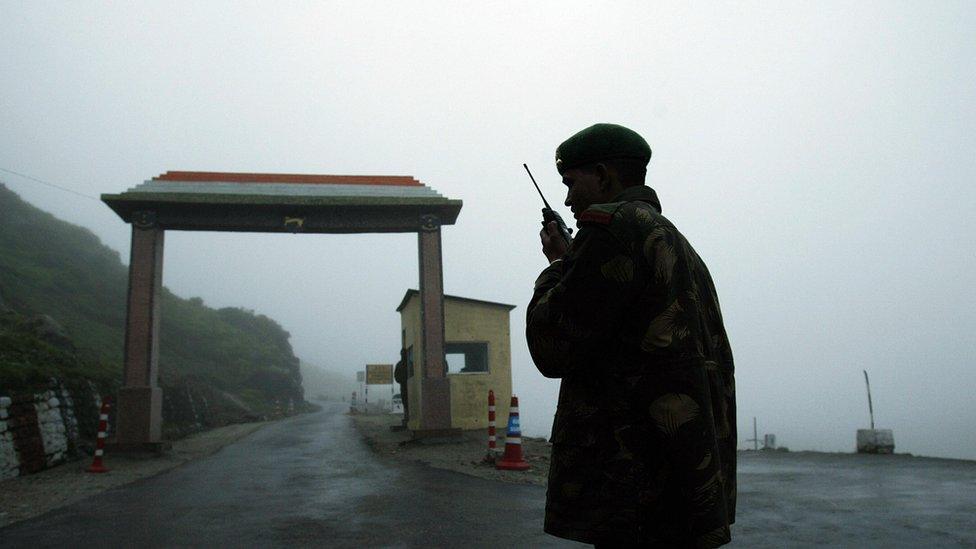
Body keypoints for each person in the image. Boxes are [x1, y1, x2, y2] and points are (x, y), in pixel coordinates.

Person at [526, 123, 736, 547]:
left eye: (571, 182)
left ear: (603, 175)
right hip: (683, 478)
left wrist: (557, 267)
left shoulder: (611, 228)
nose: (566, 199)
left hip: (633, 485)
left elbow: (551, 347)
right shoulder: (674, 241)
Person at [393, 347, 409, 425]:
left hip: (408, 386)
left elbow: (396, 376)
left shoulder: (408, 363)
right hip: (404, 386)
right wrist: (402, 381)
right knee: (406, 402)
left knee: (407, 402)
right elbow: (396, 376)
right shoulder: (407, 363)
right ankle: (407, 418)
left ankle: (408, 418)